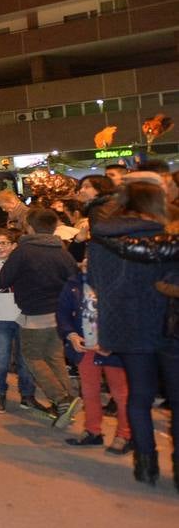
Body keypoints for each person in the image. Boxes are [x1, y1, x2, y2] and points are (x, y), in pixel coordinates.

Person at [88, 183, 178, 486]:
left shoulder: (103, 236)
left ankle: (145, 464)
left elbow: (94, 280)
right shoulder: (167, 235)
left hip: (125, 324)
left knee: (138, 396)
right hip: (168, 323)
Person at [0, 208, 82, 428]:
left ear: (30, 227)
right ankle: (68, 399)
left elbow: (2, 281)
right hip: (58, 317)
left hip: (33, 317)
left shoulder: (23, 252)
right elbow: (74, 279)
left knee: (33, 358)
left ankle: (63, 399)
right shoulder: (61, 251)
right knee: (54, 359)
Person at [57, 259, 132, 453]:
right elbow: (63, 313)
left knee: (120, 394)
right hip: (86, 348)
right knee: (89, 391)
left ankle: (125, 434)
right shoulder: (74, 284)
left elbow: (129, 319)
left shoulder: (121, 286)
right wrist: (71, 334)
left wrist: (112, 343)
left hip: (113, 351)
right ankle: (93, 431)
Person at [0, 228, 51, 415]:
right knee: (0, 360)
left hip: (24, 318)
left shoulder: (23, 263)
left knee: (25, 360)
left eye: (4, 243)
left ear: (13, 245)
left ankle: (27, 395)